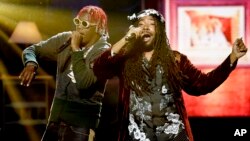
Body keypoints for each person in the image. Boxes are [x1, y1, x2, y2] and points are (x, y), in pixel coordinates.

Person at [93, 9, 248, 141]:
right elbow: (99, 69)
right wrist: (126, 39)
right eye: (141, 25)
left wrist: (232, 58)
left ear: (160, 31)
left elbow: (203, 85)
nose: (145, 28)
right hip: (136, 136)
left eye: (151, 24)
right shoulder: (125, 60)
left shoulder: (176, 60)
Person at [19, 5, 110, 141]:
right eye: (77, 22)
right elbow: (33, 49)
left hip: (81, 127)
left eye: (85, 24)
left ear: (99, 28)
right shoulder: (65, 39)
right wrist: (31, 63)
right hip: (55, 120)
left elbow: (84, 83)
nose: (79, 27)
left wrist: (75, 49)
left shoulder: (104, 53)